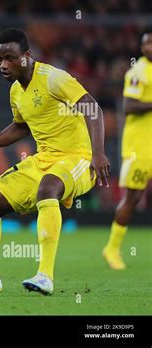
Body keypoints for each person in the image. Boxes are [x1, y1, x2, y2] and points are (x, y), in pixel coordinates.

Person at [0, 28, 109, 295]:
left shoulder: (53, 78)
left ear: (26, 55)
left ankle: (44, 276)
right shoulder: (16, 90)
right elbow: (20, 128)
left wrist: (98, 153)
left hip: (79, 158)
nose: (4, 64)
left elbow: (92, 108)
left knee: (47, 189)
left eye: (10, 58)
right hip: (44, 160)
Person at [103, 29, 152, 270]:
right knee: (133, 198)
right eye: (146, 43)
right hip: (140, 146)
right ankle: (112, 248)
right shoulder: (138, 72)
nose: (149, 47)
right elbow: (129, 105)